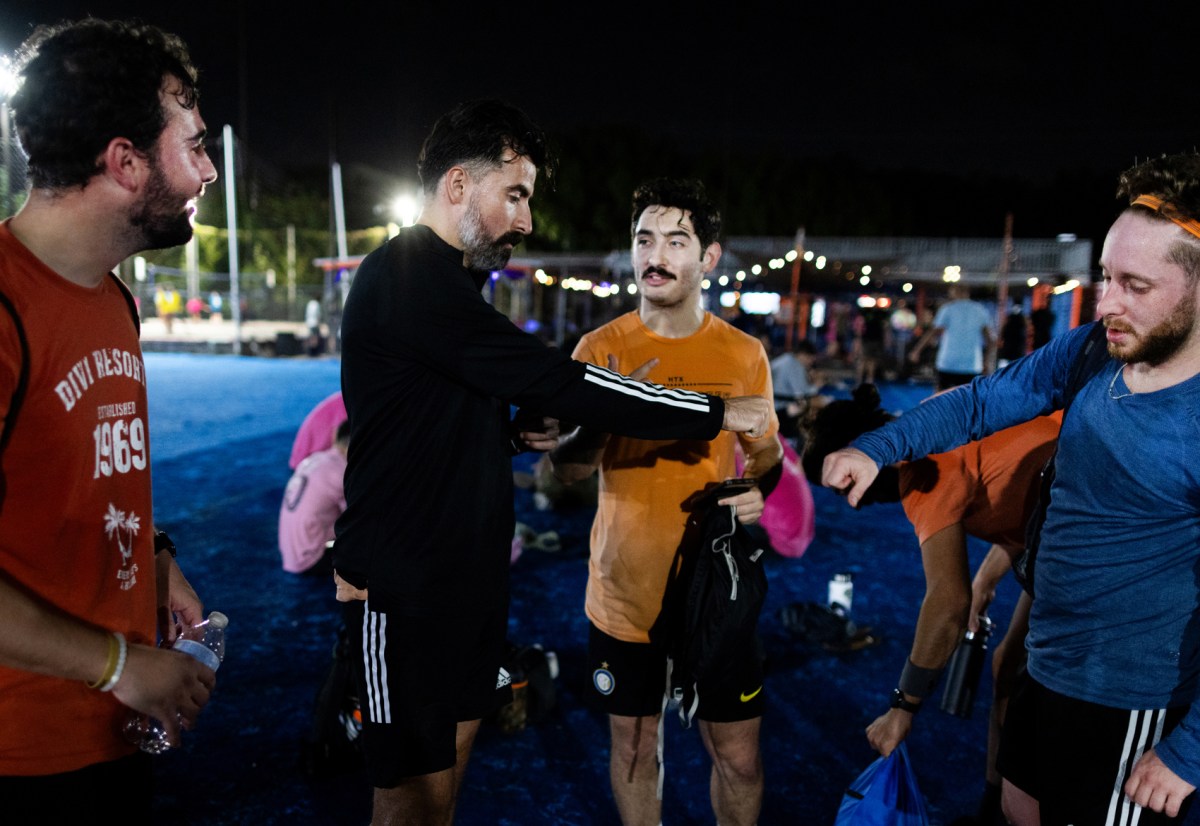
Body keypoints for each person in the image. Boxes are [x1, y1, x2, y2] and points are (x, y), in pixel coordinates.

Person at [330, 100, 771, 826]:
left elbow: (428, 417)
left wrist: (505, 438)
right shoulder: (410, 276)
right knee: (405, 796)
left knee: (444, 783)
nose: (527, 220)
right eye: (516, 195)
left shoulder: (449, 283)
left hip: (466, 580)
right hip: (403, 583)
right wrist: (717, 411)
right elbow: (570, 382)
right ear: (457, 186)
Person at [821, 151, 1200, 825]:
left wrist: (1188, 753)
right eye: (1105, 278)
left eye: (1134, 286)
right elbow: (983, 401)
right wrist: (878, 446)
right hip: (1048, 664)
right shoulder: (1091, 350)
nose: (1106, 303)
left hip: (1130, 696)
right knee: (1019, 812)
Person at [0, 18, 218, 822]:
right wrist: (118, 663)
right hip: (23, 753)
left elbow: (84, 479)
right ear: (124, 163)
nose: (209, 171)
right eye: (192, 146)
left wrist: (154, 560)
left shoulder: (114, 298)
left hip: (112, 731)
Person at [548, 177, 783, 826]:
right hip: (624, 595)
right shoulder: (599, 351)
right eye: (644, 239)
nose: (656, 255)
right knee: (634, 749)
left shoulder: (743, 354)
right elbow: (558, 474)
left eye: (676, 241)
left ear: (708, 258)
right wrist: (604, 416)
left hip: (715, 595)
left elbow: (768, 462)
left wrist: (756, 495)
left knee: (738, 760)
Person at [801, 383, 1061, 826]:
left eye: (842, 485)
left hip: (1086, 531)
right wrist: (986, 577)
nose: (851, 502)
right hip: (1060, 514)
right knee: (1007, 664)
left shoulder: (919, 471)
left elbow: (947, 604)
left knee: (1039, 687)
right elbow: (1019, 487)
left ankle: (1022, 803)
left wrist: (903, 707)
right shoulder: (932, 417)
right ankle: (994, 801)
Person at [279, 420, 349, 575]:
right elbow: (358, 518)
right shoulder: (342, 471)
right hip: (310, 558)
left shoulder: (314, 459)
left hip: (289, 552)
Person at [908, 283, 994, 390]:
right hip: (972, 364)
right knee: (967, 401)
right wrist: (987, 361)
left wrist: (917, 350)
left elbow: (933, 332)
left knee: (940, 398)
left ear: (954, 292)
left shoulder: (947, 309)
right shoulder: (980, 310)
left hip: (948, 362)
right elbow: (990, 340)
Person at [770, 338, 827, 444]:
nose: (810, 363)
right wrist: (817, 385)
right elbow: (802, 393)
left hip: (770, 406)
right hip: (781, 411)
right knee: (818, 405)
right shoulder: (795, 365)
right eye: (810, 359)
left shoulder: (782, 359)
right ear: (804, 355)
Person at [289, 390, 347, 471]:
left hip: (302, 462)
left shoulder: (341, 399)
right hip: (309, 463)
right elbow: (340, 441)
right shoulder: (345, 402)